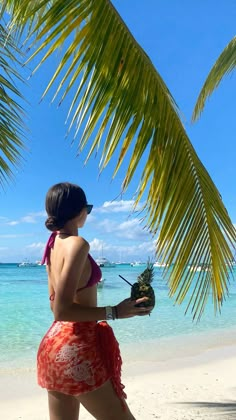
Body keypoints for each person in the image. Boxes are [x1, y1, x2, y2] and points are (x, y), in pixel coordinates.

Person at [37, 182, 153, 420]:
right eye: (87, 209)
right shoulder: (77, 244)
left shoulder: (51, 244)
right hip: (78, 348)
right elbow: (62, 309)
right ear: (79, 212)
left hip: (52, 346)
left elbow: (53, 305)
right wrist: (115, 312)